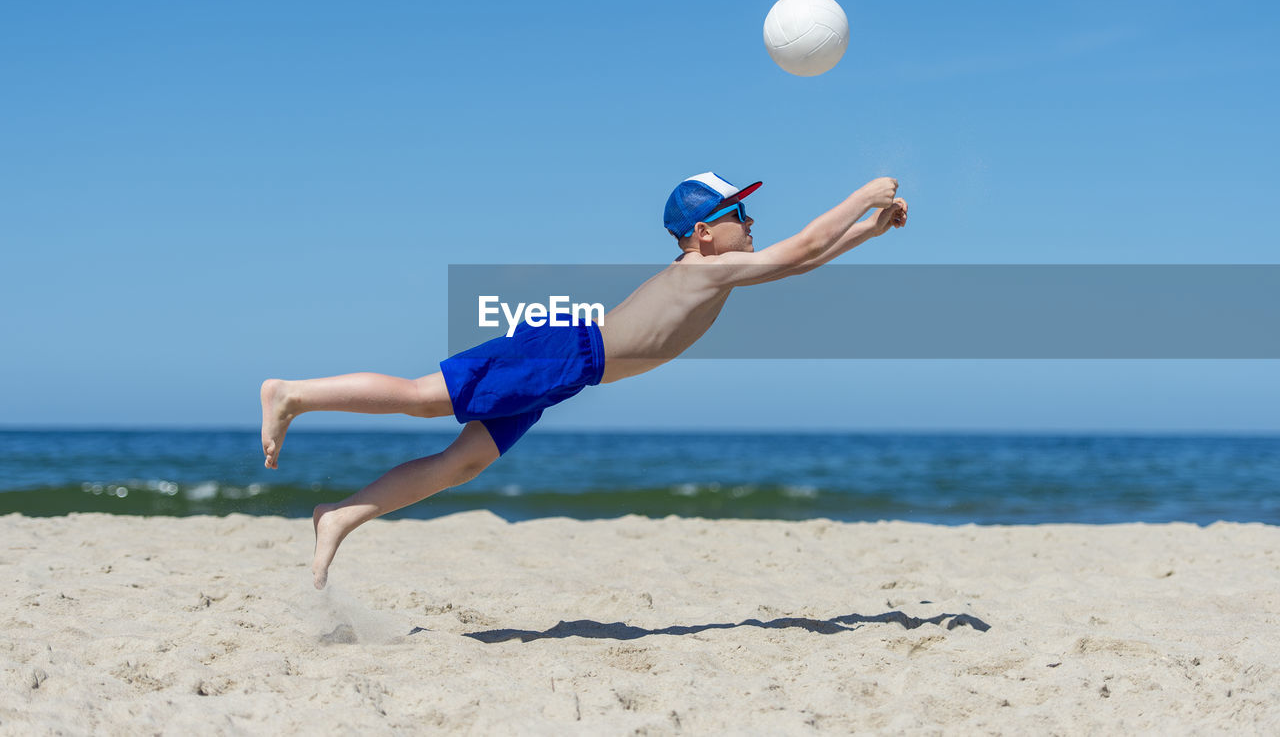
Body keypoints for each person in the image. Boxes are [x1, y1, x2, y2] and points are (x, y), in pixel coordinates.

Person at [260, 172, 908, 588]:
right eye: (742, 214)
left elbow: (797, 263)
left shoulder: (718, 269)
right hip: (562, 353)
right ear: (704, 233)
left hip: (567, 371)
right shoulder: (699, 271)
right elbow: (795, 250)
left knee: (462, 462)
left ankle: (339, 516)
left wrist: (868, 232)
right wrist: (861, 196)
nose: (753, 224)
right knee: (424, 398)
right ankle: (292, 394)